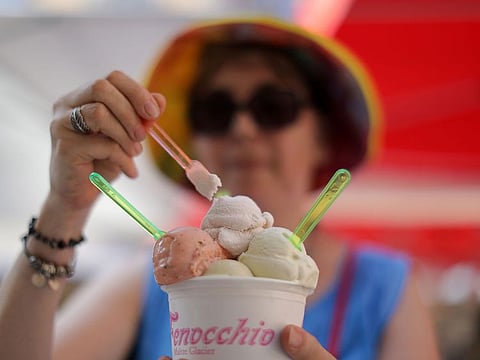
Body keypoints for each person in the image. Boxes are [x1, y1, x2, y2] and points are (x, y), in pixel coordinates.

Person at [0, 17, 439, 360]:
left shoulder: (385, 287)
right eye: (216, 110)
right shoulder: (157, 274)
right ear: (196, 141)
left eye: (273, 107)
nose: (242, 128)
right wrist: (64, 209)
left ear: (322, 136)